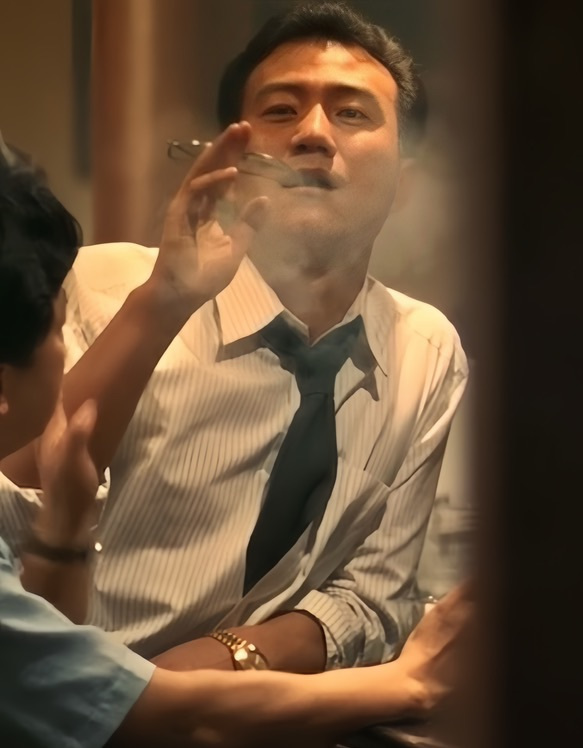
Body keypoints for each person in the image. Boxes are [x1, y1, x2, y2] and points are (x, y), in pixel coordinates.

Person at [0, 1, 468, 673]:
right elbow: (9, 524)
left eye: (351, 113)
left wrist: (195, 681)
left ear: (405, 182)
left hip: (237, 714)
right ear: (232, 158)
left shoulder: (424, 349)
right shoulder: (101, 290)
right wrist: (163, 304)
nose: (312, 133)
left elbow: (371, 604)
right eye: (280, 110)